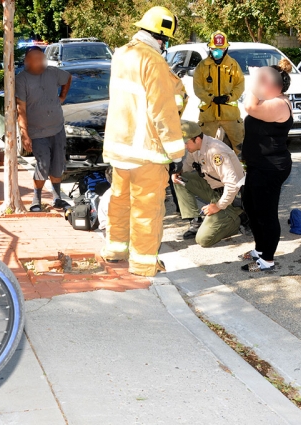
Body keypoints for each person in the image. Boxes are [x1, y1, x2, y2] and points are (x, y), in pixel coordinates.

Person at [101, 6, 185, 277]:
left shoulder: (122, 54)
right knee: (146, 209)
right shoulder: (154, 61)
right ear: (162, 38)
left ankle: (115, 250)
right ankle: (144, 264)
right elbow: (163, 110)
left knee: (119, 201)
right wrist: (177, 151)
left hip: (119, 147)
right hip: (145, 151)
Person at [240, 59, 294, 272]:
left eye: (265, 83)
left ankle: (268, 260)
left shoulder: (280, 104)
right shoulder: (268, 100)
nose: (260, 87)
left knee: (265, 212)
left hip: (271, 167)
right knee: (251, 207)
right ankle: (260, 249)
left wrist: (256, 80)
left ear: (276, 87)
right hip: (257, 164)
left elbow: (249, 106)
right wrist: (261, 77)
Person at [16, 47, 72, 211]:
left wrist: (62, 97)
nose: (41, 63)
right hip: (38, 132)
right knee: (43, 164)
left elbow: (68, 78)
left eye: (42, 59)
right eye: (36, 60)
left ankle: (57, 198)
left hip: (57, 128)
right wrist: (25, 134)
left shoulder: (53, 73)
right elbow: (21, 110)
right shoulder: (22, 80)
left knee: (57, 165)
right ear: (27, 62)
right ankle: (36, 199)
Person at [172, 120, 245, 247]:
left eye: (185, 143)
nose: (184, 146)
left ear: (197, 140)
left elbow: (232, 185)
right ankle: (195, 223)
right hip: (214, 190)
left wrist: (217, 206)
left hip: (231, 198)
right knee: (180, 179)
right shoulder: (195, 148)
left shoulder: (216, 152)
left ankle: (236, 220)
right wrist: (177, 172)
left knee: (203, 240)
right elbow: (188, 166)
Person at [193, 31, 245, 155]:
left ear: (226, 48)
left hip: (230, 115)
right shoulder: (202, 66)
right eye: (215, 48)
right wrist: (211, 98)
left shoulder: (233, 65)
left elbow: (240, 85)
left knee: (240, 146)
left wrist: (229, 97)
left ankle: (242, 171)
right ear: (210, 48)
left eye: (221, 48)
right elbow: (198, 88)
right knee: (203, 147)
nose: (218, 51)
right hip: (209, 115)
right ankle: (205, 171)